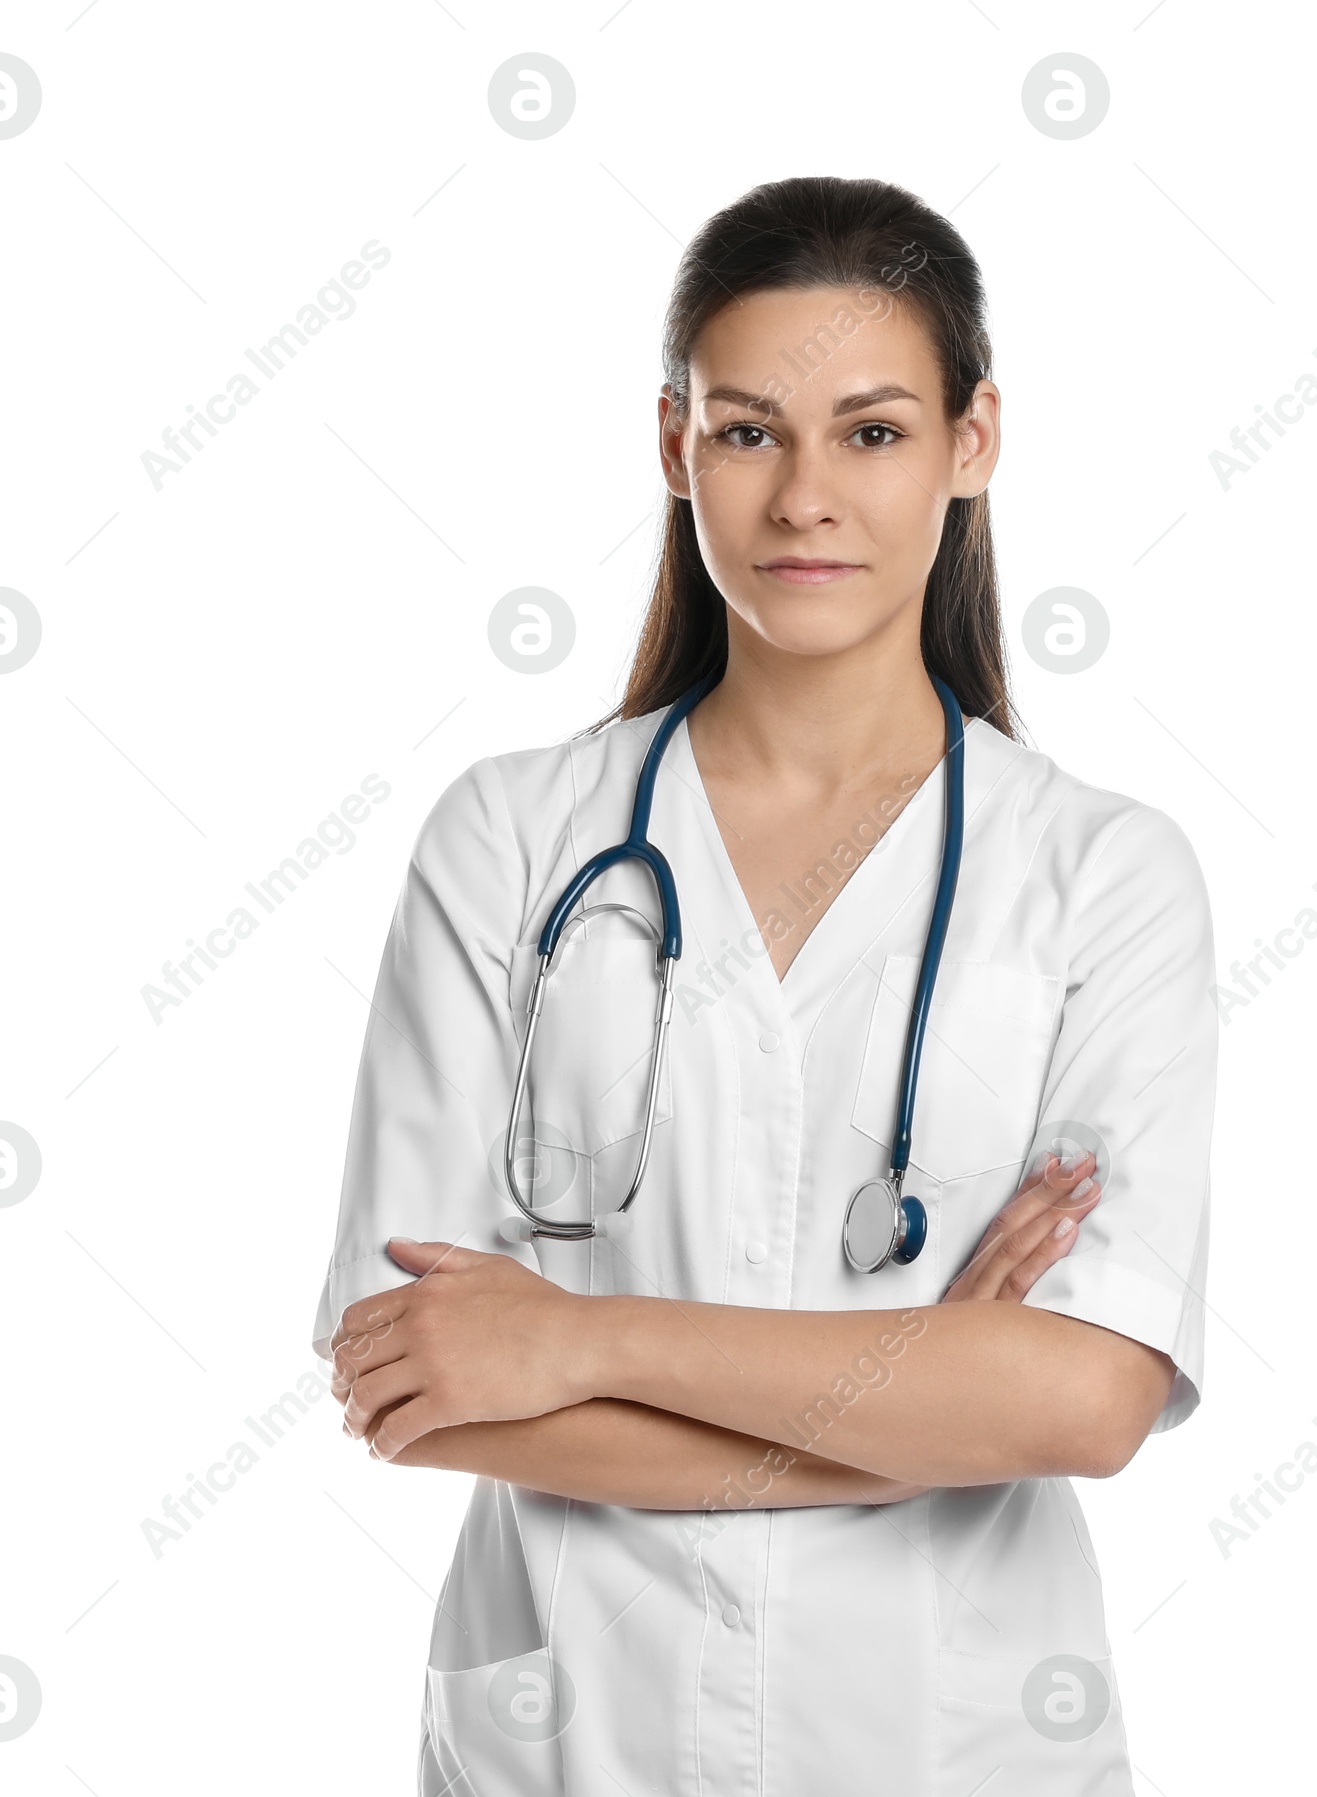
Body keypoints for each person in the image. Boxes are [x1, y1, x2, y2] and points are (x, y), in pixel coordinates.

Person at [315, 173, 1218, 1796]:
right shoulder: (512, 839)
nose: (807, 494)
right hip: (585, 1725)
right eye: (749, 432)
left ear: (974, 441)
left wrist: (575, 1342)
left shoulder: (1103, 872)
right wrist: (919, 1403)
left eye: (872, 431)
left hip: (950, 1733)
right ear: (676, 450)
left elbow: (1085, 1395)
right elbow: (417, 1384)